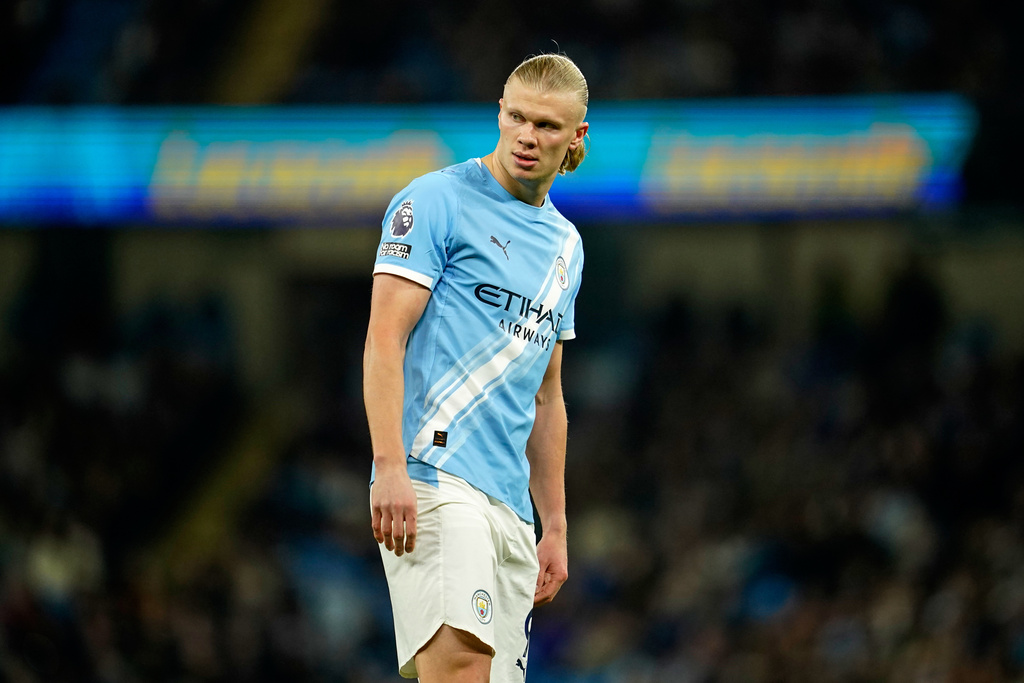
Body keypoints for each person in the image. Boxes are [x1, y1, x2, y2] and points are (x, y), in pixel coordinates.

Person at [363, 53, 590, 682]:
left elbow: (548, 397)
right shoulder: (436, 200)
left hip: (511, 509)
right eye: (516, 117)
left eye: (547, 125)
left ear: (576, 137)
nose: (526, 136)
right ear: (499, 112)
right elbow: (384, 339)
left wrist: (556, 525)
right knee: (461, 671)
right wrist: (389, 466)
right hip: (434, 477)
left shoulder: (566, 247)